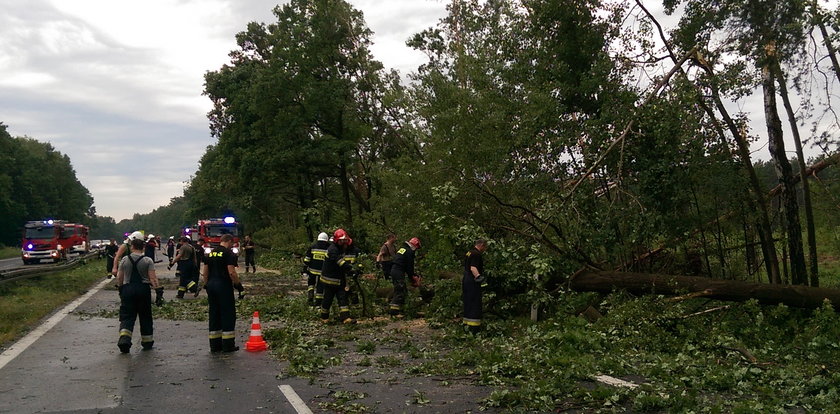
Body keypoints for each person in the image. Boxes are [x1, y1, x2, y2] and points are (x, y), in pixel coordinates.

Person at [116, 238, 161, 353]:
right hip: (143, 290)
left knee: (127, 315)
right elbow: (153, 278)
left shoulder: (125, 260)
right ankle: (147, 341)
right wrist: (158, 291)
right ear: (143, 248)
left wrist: (121, 289)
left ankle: (124, 339)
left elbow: (119, 277)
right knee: (145, 316)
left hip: (128, 289)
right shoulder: (147, 260)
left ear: (132, 247)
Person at [200, 234, 243, 352]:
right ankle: (228, 345)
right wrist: (238, 286)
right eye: (231, 243)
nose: (231, 246)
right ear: (228, 241)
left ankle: (215, 345)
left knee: (214, 313)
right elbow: (232, 272)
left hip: (211, 286)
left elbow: (205, 272)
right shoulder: (229, 254)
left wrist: (206, 284)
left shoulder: (211, 253)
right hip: (223, 285)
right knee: (227, 313)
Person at [319, 229, 356, 324]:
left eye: (344, 240)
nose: (344, 242)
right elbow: (340, 262)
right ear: (337, 240)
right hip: (329, 280)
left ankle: (345, 318)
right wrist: (351, 269)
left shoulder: (340, 248)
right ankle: (324, 318)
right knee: (327, 299)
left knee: (343, 298)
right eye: (342, 240)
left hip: (339, 279)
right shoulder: (333, 249)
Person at [388, 237, 421, 316]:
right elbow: (409, 267)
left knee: (403, 290)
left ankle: (402, 309)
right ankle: (394, 312)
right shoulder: (409, 252)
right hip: (398, 271)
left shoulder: (403, 249)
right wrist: (412, 277)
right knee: (400, 291)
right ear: (414, 246)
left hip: (395, 270)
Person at [462, 239, 488, 334]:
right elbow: (473, 268)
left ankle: (466, 326)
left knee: (468, 302)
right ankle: (474, 329)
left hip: (466, 280)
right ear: (481, 245)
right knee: (475, 303)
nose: (485, 249)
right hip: (472, 281)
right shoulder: (476, 254)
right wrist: (479, 277)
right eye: (485, 247)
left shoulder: (469, 252)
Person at [302, 232, 330, 306]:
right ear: (326, 239)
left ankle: (310, 295)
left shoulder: (313, 247)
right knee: (320, 287)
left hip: (312, 271)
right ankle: (318, 303)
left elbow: (307, 259)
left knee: (311, 283)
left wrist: (304, 269)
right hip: (322, 272)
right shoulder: (329, 248)